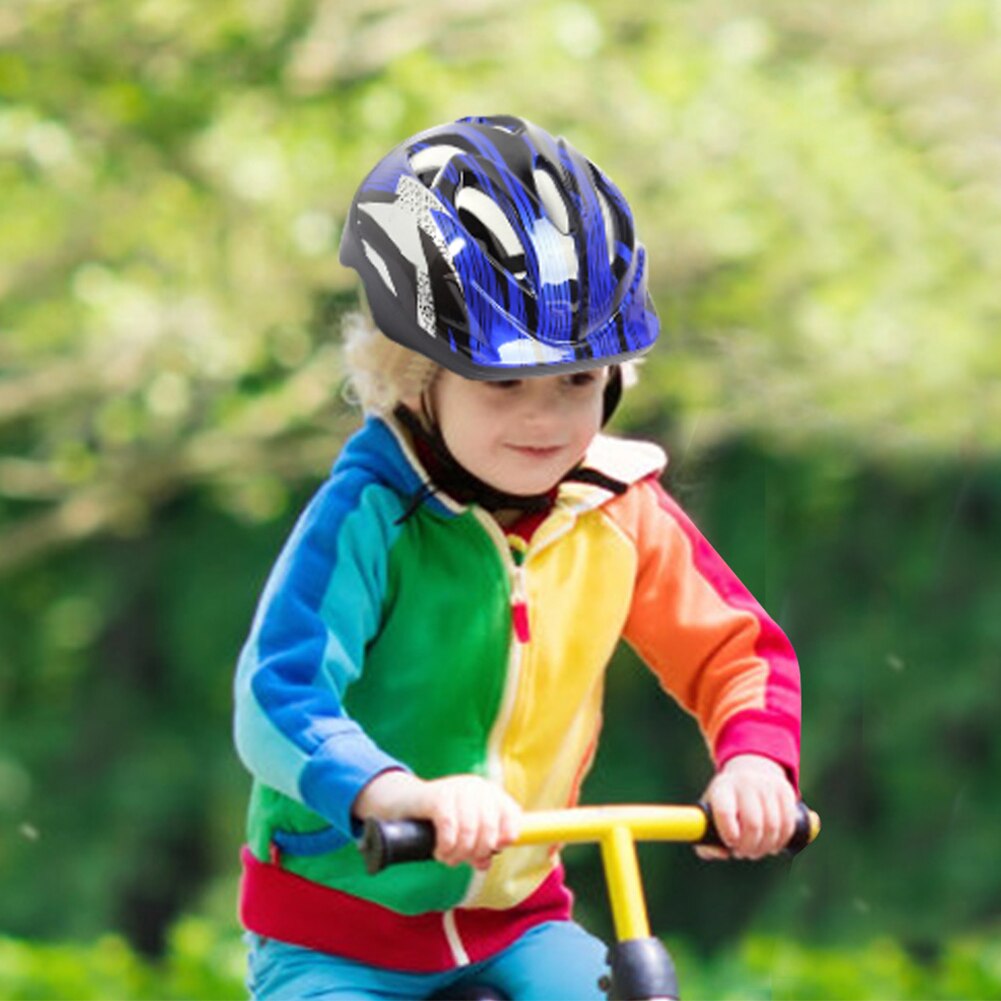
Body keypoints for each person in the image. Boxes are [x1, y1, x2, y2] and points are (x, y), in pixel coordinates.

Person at [233, 114, 802, 1001]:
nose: (544, 418)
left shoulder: (618, 508)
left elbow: (735, 651)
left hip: (516, 922)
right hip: (337, 933)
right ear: (415, 373)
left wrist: (754, 761)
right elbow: (279, 695)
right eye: (502, 382)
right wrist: (395, 793)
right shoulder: (371, 515)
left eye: (577, 378)